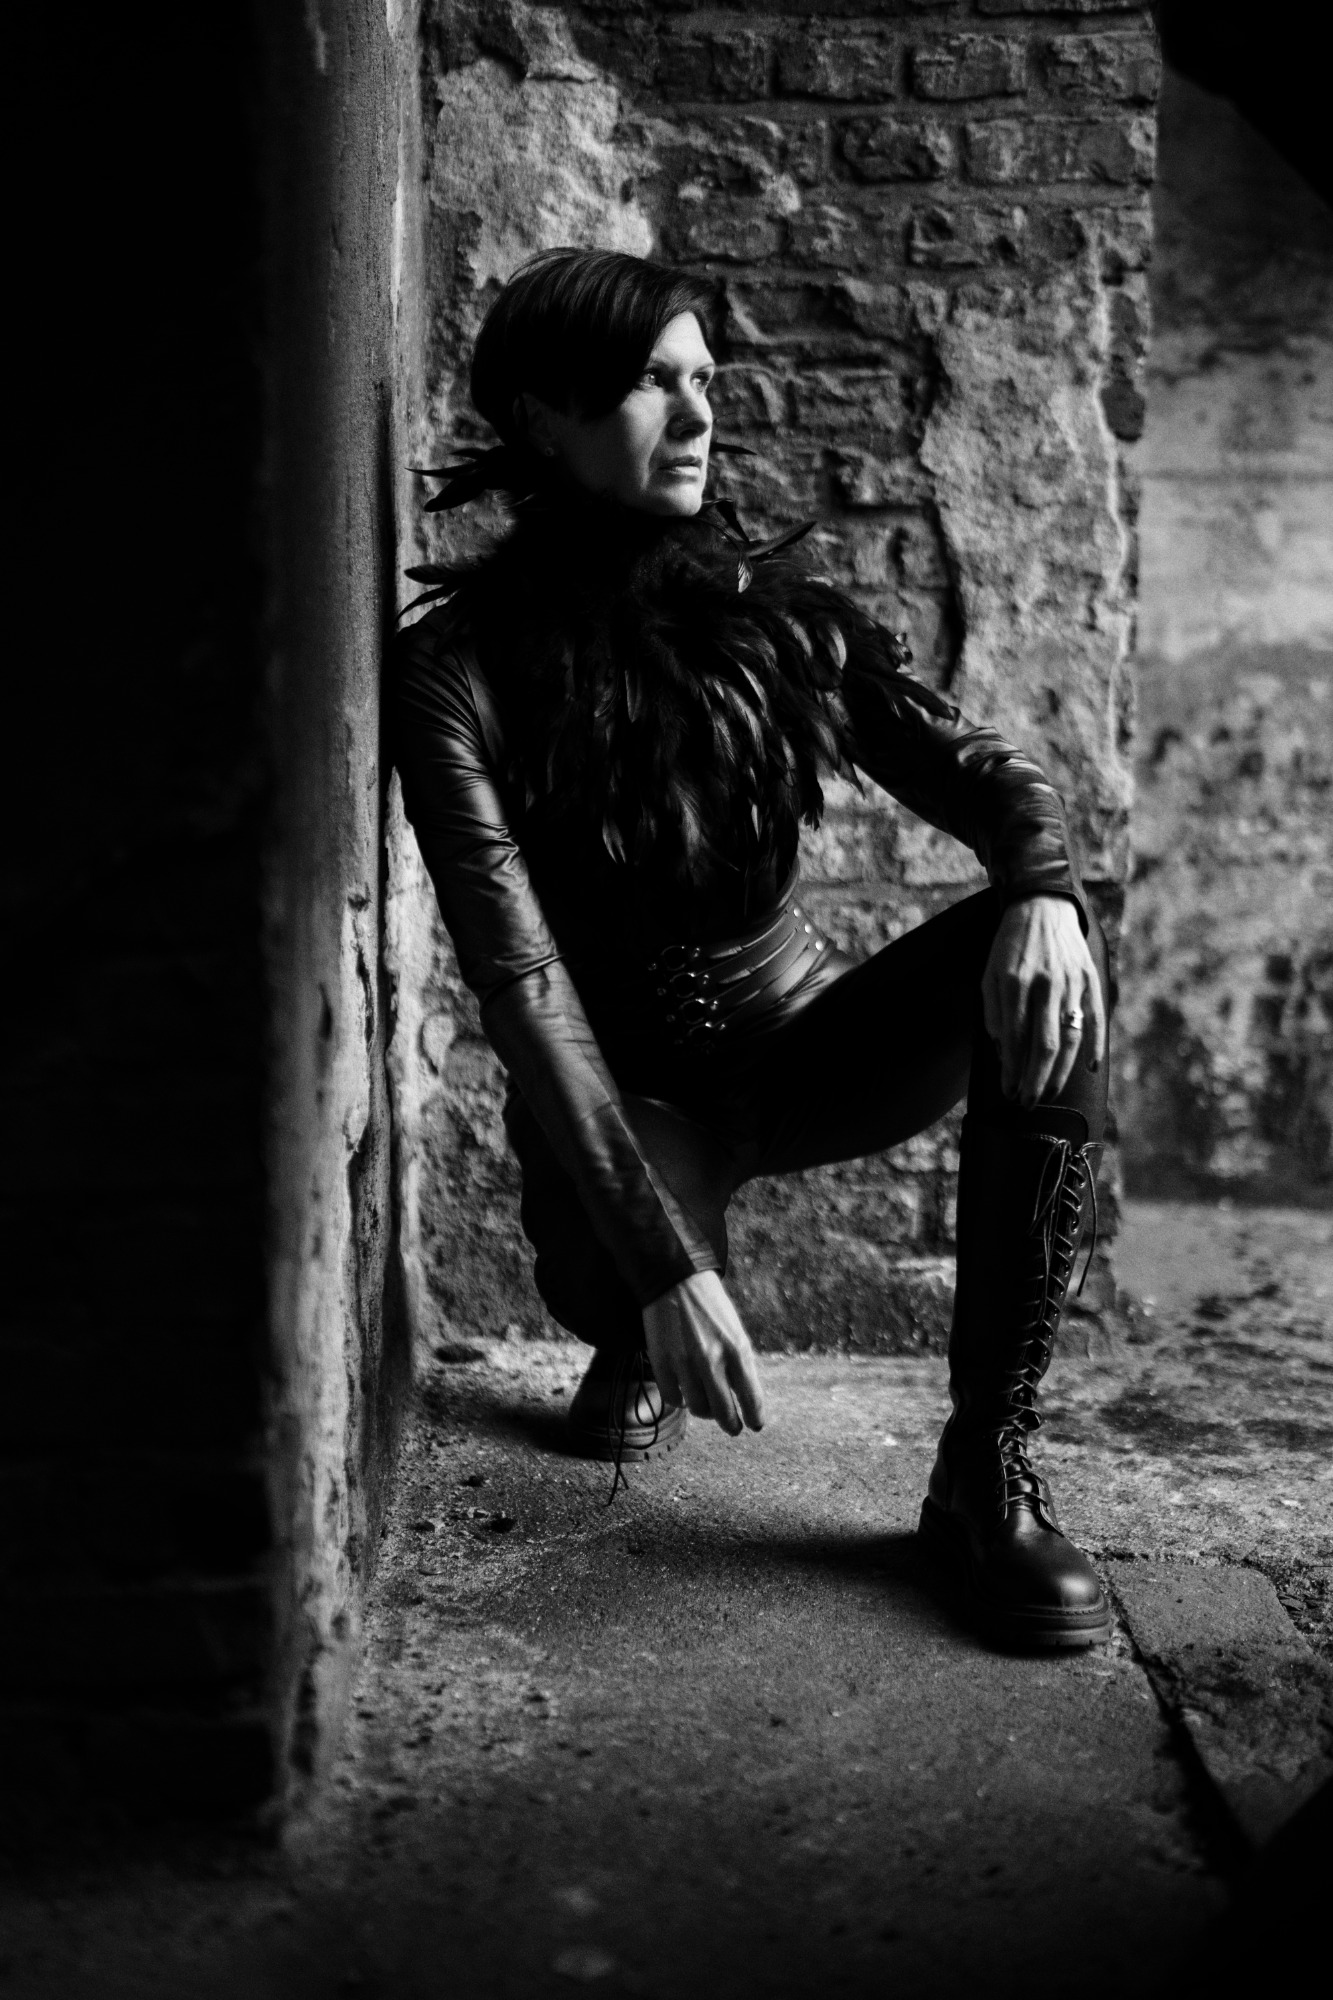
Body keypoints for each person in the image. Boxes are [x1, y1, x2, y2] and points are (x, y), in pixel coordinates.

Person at [392, 248, 1113, 1651]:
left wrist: (1038, 883)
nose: (698, 414)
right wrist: (663, 1262)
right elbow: (520, 983)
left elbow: (974, 768)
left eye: (704, 380)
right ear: (540, 417)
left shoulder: (769, 613)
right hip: (633, 1104)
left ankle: (984, 1467)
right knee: (626, 1279)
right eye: (651, 383)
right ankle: (630, 1326)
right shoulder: (457, 673)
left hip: (806, 1057)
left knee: (1058, 947)